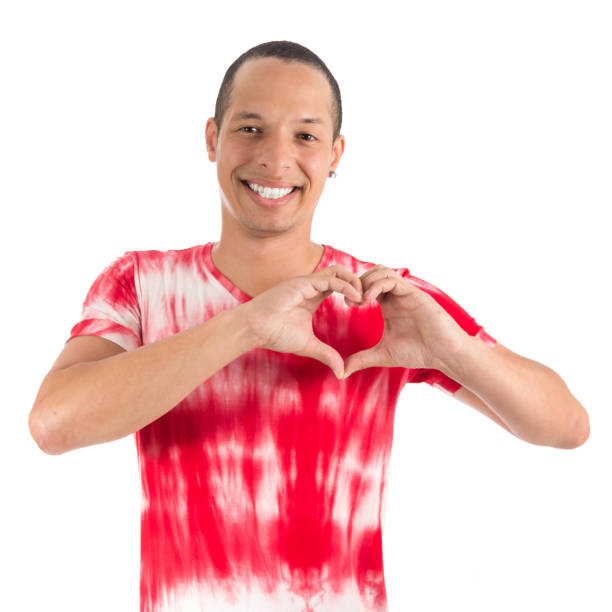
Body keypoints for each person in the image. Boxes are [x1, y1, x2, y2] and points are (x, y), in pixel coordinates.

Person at [28, 40, 589, 612]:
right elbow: (53, 425)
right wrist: (246, 326)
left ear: (335, 153)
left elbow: (567, 426)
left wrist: (455, 351)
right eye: (250, 128)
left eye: (305, 135)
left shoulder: (382, 298)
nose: (276, 159)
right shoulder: (140, 283)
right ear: (211, 138)